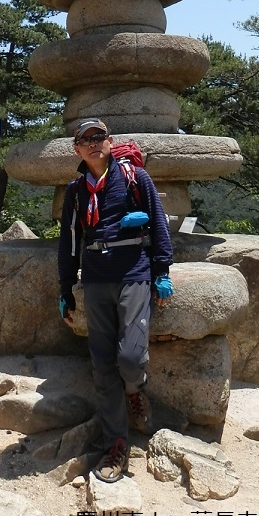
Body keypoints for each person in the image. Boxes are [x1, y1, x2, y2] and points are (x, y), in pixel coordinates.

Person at [58, 118, 174, 483]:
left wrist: (162, 272)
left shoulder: (134, 177)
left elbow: (158, 222)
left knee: (130, 357)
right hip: (94, 277)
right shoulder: (77, 191)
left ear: (110, 142)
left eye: (99, 137)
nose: (93, 143)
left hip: (132, 272)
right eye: (85, 139)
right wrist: (65, 290)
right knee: (102, 365)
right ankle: (117, 443)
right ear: (76, 149)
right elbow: (69, 242)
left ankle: (135, 390)